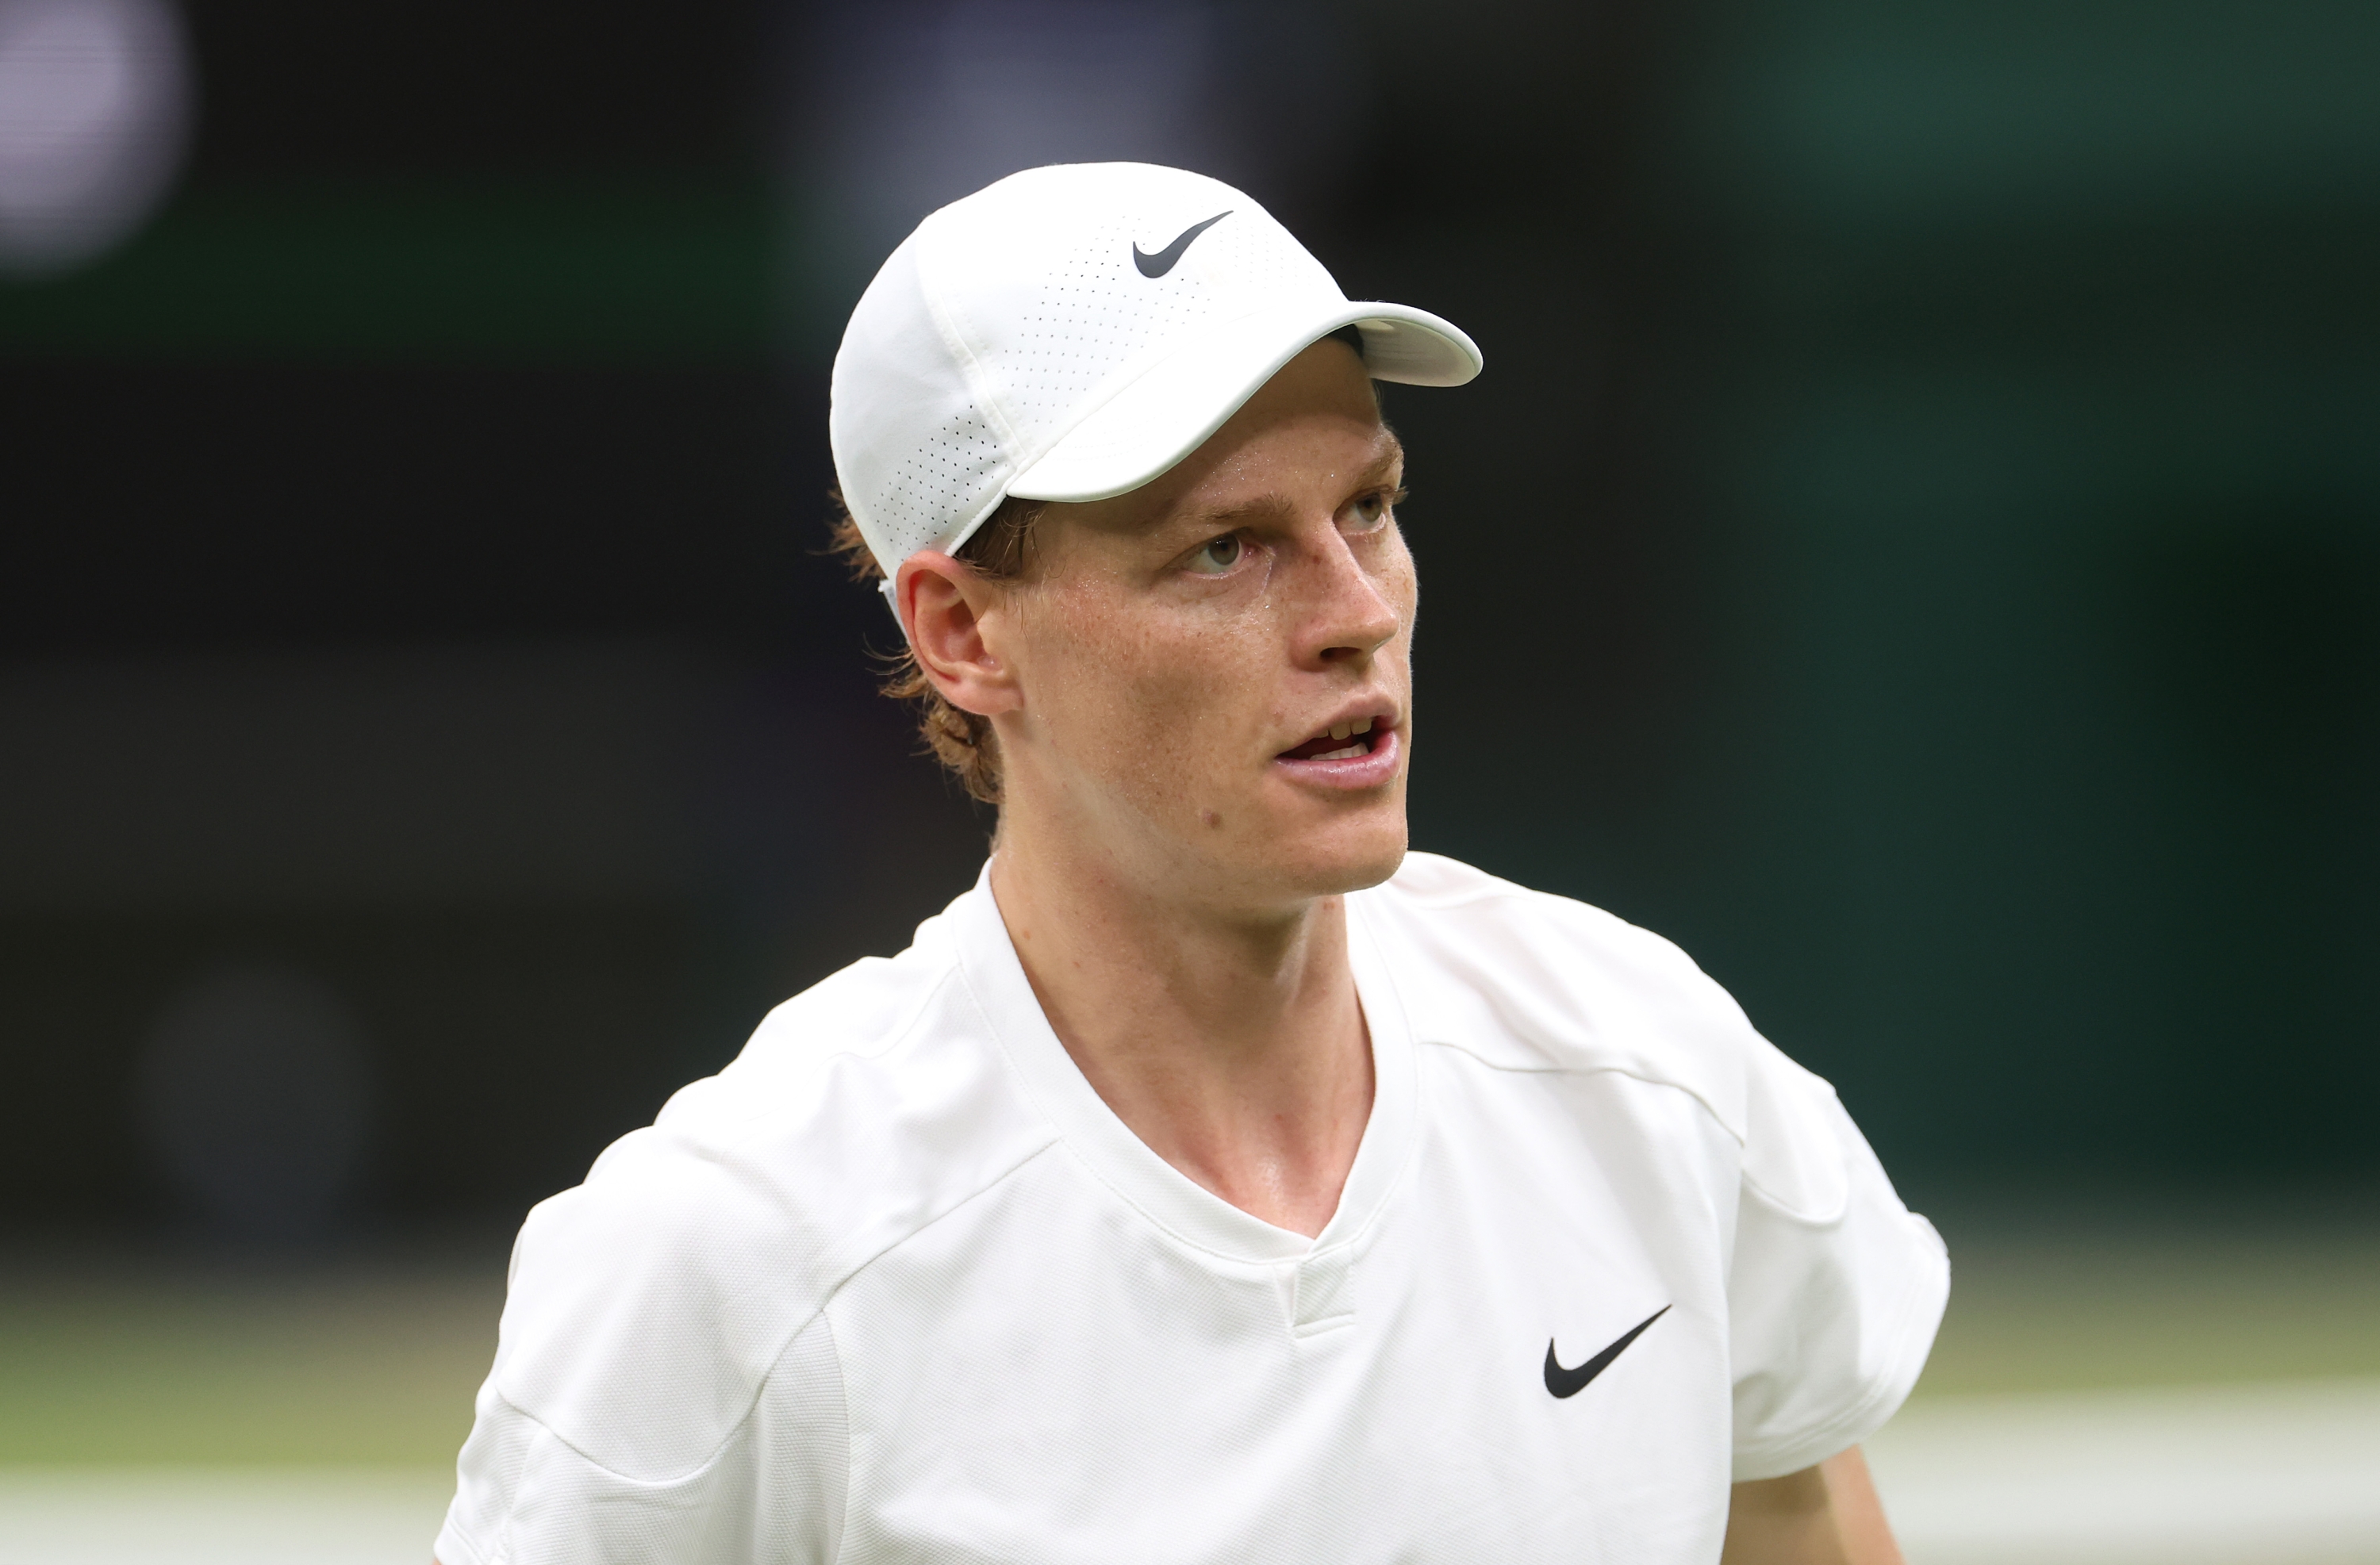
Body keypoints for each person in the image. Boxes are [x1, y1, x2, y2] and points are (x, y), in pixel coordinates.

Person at [436, 162, 1947, 1565]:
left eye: (1369, 506)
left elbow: (1800, 1515)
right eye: (1223, 548)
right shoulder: (734, 1259)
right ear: (963, 632)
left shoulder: (1652, 1075)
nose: (1356, 609)